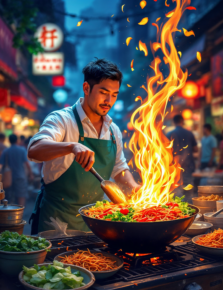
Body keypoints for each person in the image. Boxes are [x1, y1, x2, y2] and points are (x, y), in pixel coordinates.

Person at [28, 58, 140, 234]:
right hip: (57, 223)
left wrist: (134, 187)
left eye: (114, 94)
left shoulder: (113, 130)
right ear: (86, 88)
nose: (109, 100)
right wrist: (71, 147)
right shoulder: (61, 120)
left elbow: (119, 169)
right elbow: (34, 149)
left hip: (94, 224)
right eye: (103, 92)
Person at [167, 115, 198, 201]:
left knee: (176, 192)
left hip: (174, 168)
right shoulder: (189, 133)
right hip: (188, 166)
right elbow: (196, 149)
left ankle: (178, 211)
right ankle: (189, 210)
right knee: (188, 191)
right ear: (182, 121)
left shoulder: (169, 134)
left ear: (174, 122)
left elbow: (165, 152)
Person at [0, 134, 33, 206]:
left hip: (8, 178)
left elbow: (1, 165)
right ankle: (20, 213)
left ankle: (9, 214)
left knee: (8, 197)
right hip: (20, 176)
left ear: (9, 141)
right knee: (21, 195)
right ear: (17, 140)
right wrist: (31, 174)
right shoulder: (22, 150)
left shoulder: (6, 151)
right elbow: (27, 164)